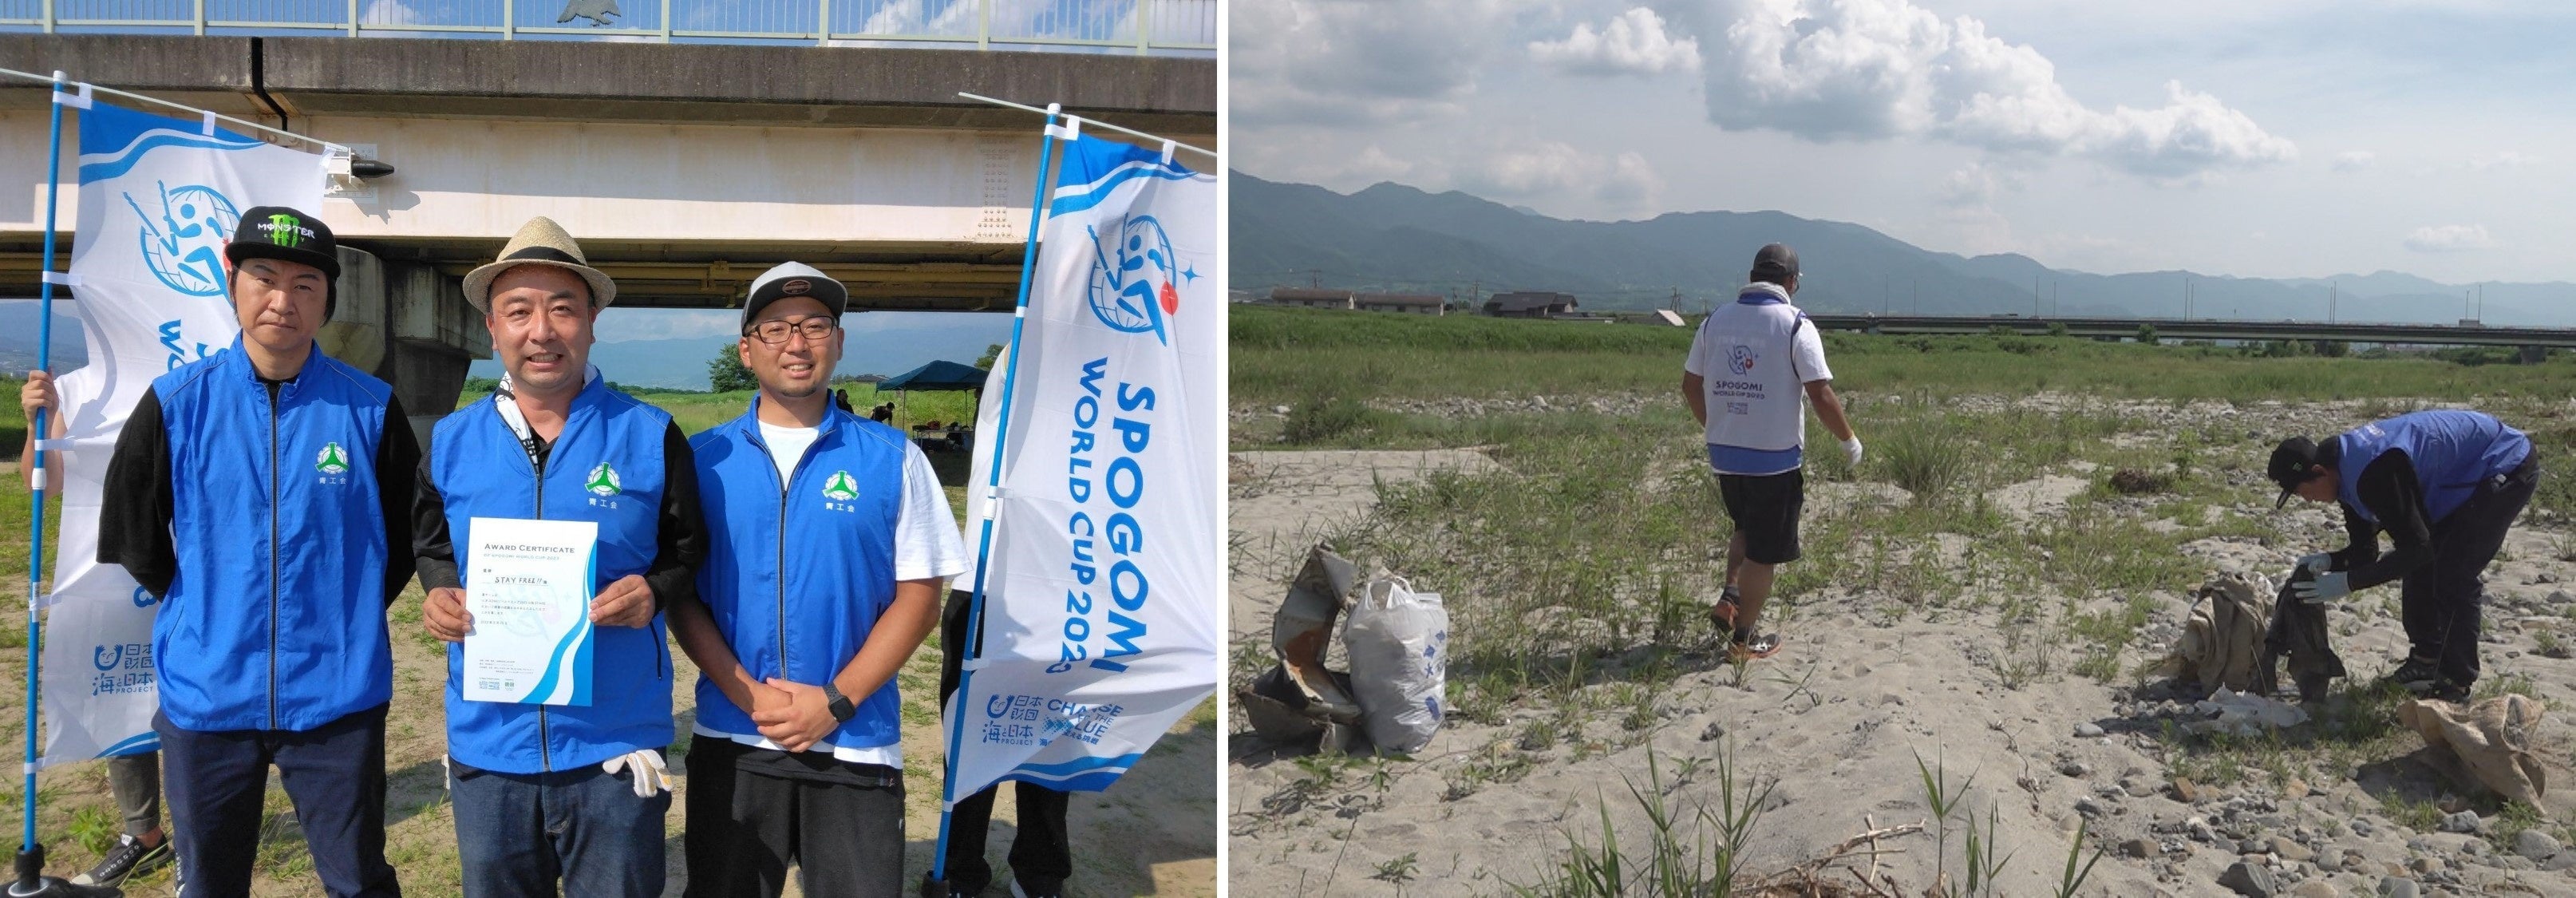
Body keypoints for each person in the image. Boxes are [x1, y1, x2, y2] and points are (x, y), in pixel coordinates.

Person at [97, 206, 413, 897]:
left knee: (359, 878)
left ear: (327, 299)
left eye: (305, 285)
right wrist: (208, 605)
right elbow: (135, 535)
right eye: (264, 278)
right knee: (210, 881)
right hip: (209, 696)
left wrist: (341, 610)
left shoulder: (371, 408)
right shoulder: (176, 404)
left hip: (338, 697)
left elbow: (399, 543)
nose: (282, 300)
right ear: (231, 280)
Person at [413, 216, 705, 896]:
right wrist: (437, 589)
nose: (541, 330)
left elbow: (688, 548)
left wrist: (655, 592)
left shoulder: (651, 433)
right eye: (519, 311)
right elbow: (430, 539)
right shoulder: (452, 439)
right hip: (490, 741)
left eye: (562, 309)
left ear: (592, 322)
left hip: (612, 741)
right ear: (492, 328)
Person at [670, 262, 966, 896]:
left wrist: (834, 700)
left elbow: (919, 594)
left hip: (855, 743)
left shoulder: (894, 458)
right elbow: (682, 593)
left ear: (838, 341)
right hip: (734, 735)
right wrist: (748, 691)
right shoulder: (701, 461)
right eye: (775, 328)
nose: (796, 343)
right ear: (746, 349)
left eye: (814, 325)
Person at [925, 354, 1070, 898]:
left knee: (1051, 738)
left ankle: (1041, 873)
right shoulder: (1021, 349)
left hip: (1062, 592)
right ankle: (960, 870)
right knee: (971, 741)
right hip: (986, 586)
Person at [2269, 410, 2539, 701]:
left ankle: (2456, 680)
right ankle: (2426, 661)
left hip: (2504, 462)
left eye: (2302, 491)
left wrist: (2347, 583)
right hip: (2457, 474)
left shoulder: (2375, 472)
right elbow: (2366, 553)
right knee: (2421, 559)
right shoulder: (2344, 474)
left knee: (2453, 573)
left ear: (2319, 472)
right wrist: (2329, 562)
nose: (2308, 500)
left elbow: (2417, 550)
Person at [19, 376, 171, 888]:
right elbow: (45, 481)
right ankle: (144, 835)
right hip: (105, 570)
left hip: (183, 559)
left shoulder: (194, 364)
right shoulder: (74, 387)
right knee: (120, 691)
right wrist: (35, 424)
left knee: (195, 699)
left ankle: (203, 835)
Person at [1680, 243, 1859, 660]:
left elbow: (1690, 386)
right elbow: (1820, 392)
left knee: (1744, 526)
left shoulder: (1714, 322)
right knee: (1764, 551)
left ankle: (1730, 597)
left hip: (1725, 456)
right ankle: (1744, 639)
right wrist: (1849, 440)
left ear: (1752, 276)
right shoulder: (1795, 324)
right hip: (1773, 459)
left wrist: (1715, 427)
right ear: (1792, 282)